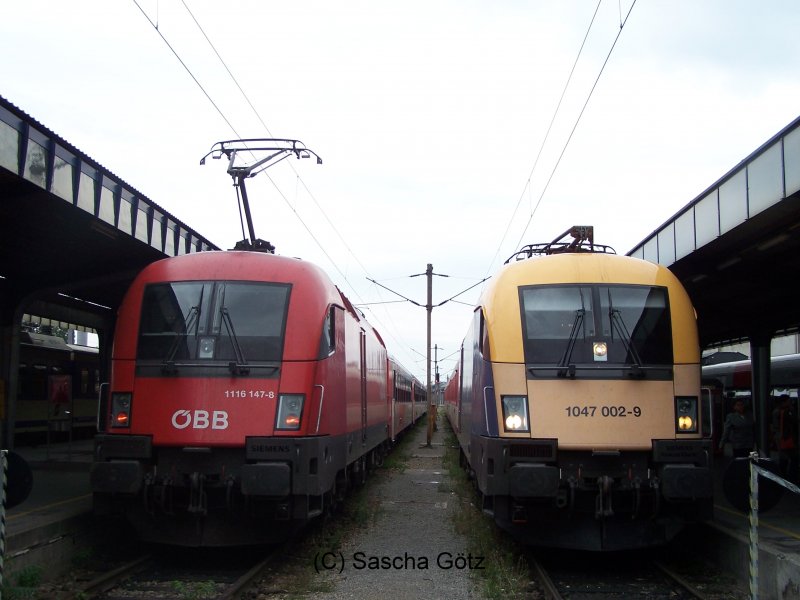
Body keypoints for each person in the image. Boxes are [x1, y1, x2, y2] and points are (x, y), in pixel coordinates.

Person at [771, 394, 796, 478]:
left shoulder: (778, 411)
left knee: (785, 457)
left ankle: (784, 474)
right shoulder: (781, 412)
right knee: (786, 457)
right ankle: (785, 475)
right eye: (788, 401)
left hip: (783, 436)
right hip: (784, 436)